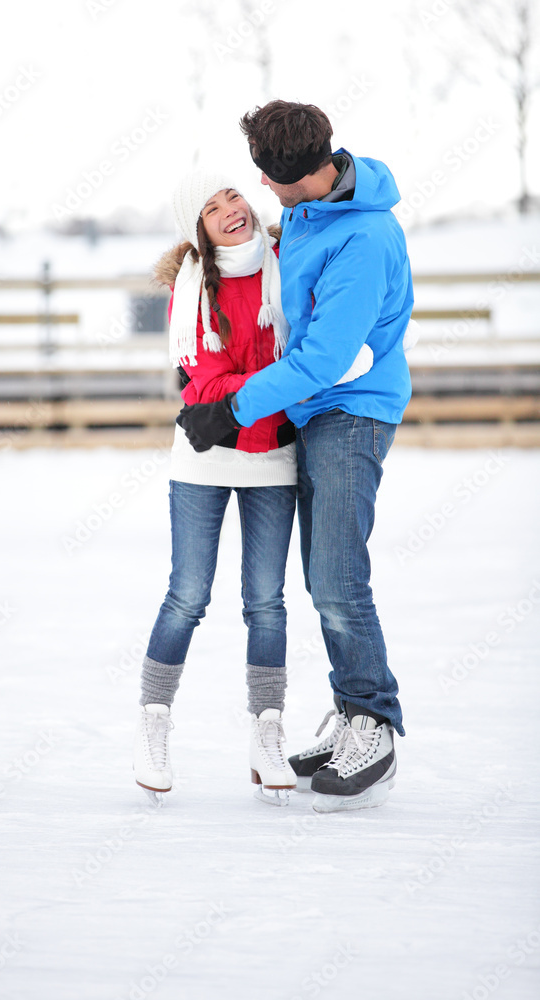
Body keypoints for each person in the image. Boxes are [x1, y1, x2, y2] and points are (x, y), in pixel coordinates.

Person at [177, 101, 415, 813]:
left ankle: (373, 722)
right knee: (322, 577)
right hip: (316, 412)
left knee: (338, 579)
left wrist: (233, 408)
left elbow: (324, 356)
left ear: (281, 176)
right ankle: (348, 711)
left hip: (352, 412)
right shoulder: (309, 214)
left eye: (258, 174)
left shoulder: (362, 237)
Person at [133, 169, 375, 806]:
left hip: (272, 457)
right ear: (199, 231)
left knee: (266, 601)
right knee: (187, 595)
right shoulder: (190, 291)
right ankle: (153, 725)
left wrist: (269, 381)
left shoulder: (288, 262)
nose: (230, 210)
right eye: (211, 208)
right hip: (204, 460)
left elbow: (303, 360)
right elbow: (205, 386)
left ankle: (266, 733)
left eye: (233, 195)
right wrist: (278, 380)